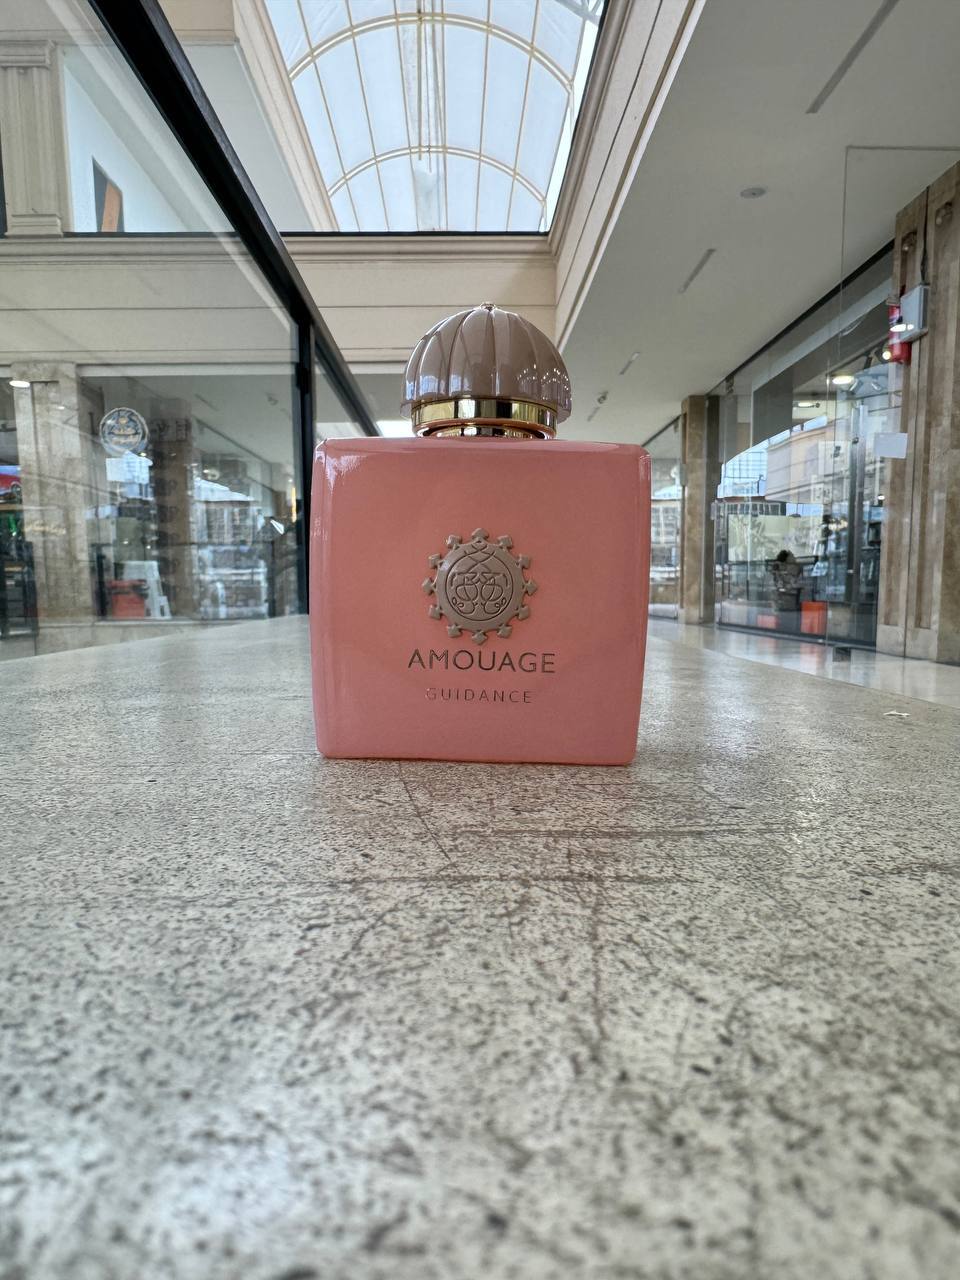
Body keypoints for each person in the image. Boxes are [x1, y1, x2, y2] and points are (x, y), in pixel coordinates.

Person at [770, 549, 802, 620]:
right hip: (786, 604)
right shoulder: (778, 570)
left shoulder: (793, 569)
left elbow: (795, 584)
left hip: (790, 604)